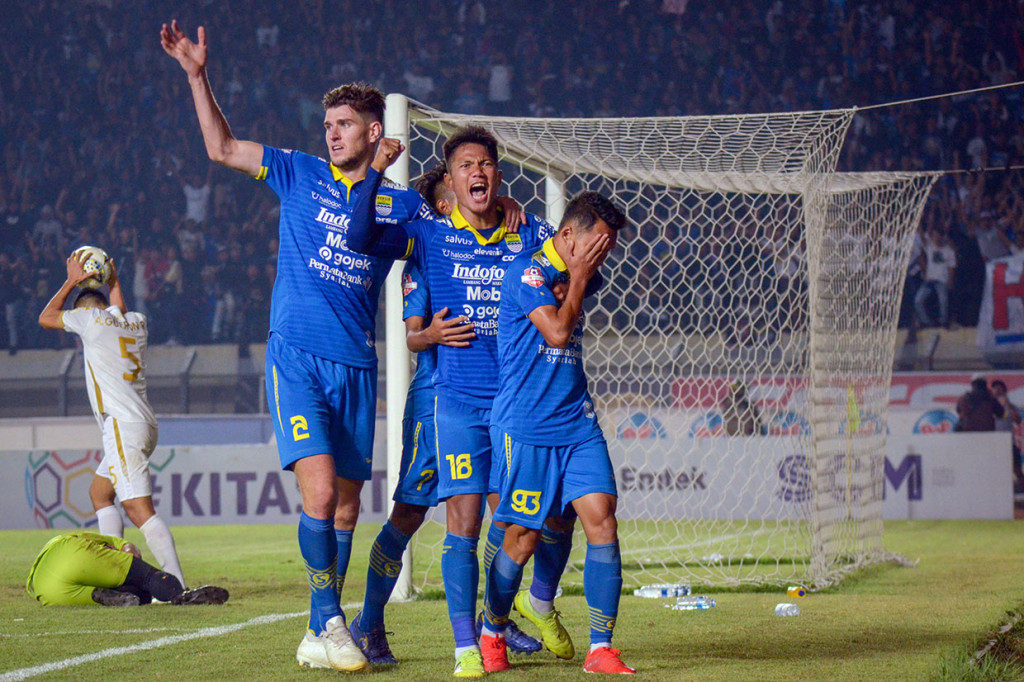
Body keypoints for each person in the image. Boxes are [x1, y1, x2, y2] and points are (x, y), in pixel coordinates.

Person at [161, 21, 434, 673]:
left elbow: (433, 250)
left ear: (374, 132)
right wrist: (197, 75)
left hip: (356, 367)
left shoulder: (399, 206)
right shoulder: (297, 172)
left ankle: (321, 630)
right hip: (297, 356)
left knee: (345, 504)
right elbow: (222, 147)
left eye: (344, 123)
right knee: (317, 497)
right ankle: (330, 623)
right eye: (328, 123)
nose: (331, 132)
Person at [347, 127, 570, 678]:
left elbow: (568, 255)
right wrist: (375, 165)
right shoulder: (428, 238)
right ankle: (374, 620)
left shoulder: (523, 230)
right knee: (414, 512)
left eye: (486, 165)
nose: (478, 175)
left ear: (496, 174)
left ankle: (496, 613)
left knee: (521, 514)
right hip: (440, 398)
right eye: (466, 167)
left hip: (506, 400)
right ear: (446, 185)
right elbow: (411, 329)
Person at [480, 191, 635, 674]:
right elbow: (558, 334)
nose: (601, 256)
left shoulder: (575, 271)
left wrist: (582, 269)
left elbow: (579, 273)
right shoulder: (525, 273)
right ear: (568, 237)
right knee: (522, 539)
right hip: (526, 426)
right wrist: (581, 274)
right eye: (597, 245)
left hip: (577, 423)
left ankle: (600, 648)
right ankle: (492, 629)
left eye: (608, 249)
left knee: (600, 518)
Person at [38, 254, 186, 589]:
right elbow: (117, 309)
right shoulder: (137, 321)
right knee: (100, 494)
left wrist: (72, 280)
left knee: (138, 508)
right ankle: (117, 572)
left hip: (121, 425)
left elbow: (46, 317)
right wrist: (114, 279)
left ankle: (176, 582)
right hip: (145, 424)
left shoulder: (89, 320)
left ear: (86, 309)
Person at [27, 531, 227, 607]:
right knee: (148, 577)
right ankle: (182, 595)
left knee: (133, 596)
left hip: (44, 590)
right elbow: (127, 550)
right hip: (71, 553)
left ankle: (113, 596)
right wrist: (129, 551)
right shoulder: (111, 543)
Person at [913, 229, 956, 328]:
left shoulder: (948, 250)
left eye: (938, 236)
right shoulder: (929, 247)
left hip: (942, 280)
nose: (936, 238)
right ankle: (925, 322)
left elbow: (951, 267)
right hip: (930, 280)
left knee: (943, 300)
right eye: (934, 236)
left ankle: (943, 322)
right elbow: (922, 238)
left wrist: (950, 280)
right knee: (918, 300)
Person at [990, 379, 1024, 491]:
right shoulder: (989, 407)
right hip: (994, 444)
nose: (997, 392)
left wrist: (1008, 404)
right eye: (995, 389)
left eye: (1000, 389)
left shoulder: (1010, 407)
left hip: (1009, 443)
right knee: (995, 471)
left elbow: (1018, 420)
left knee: (1018, 471)